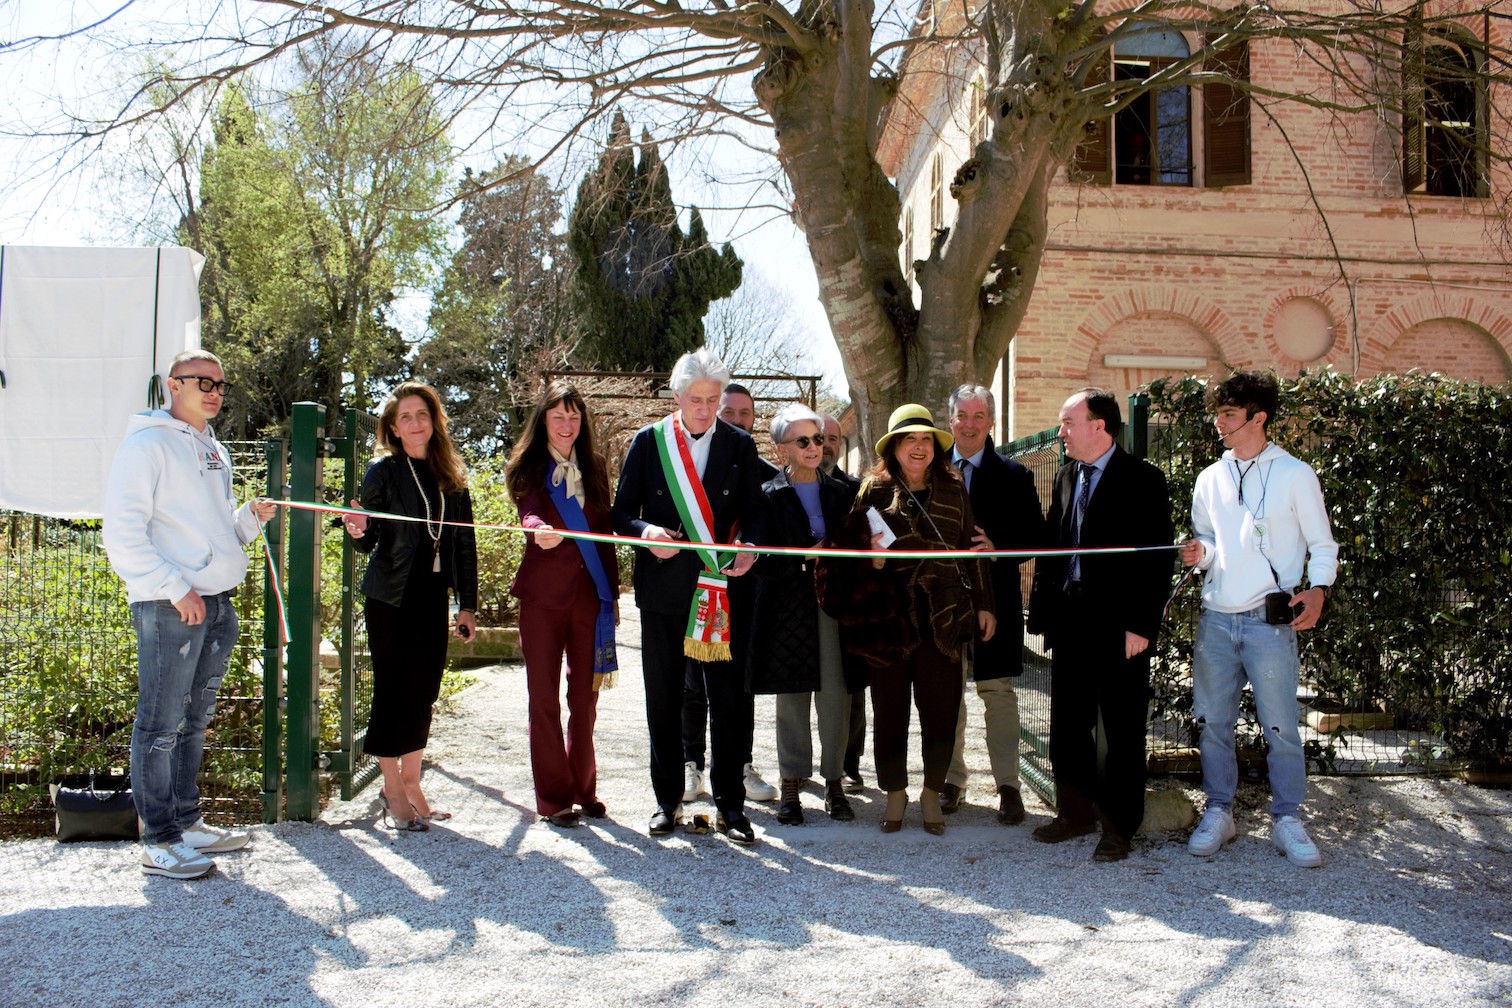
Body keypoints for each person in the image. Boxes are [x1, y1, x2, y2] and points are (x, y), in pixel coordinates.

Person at [103, 349, 275, 879]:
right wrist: (175, 589)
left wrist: (247, 520)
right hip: (171, 604)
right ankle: (159, 839)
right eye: (202, 381)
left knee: (193, 719)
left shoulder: (212, 449)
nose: (214, 391)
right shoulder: (147, 444)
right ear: (172, 385)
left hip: (213, 602)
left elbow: (211, 530)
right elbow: (123, 532)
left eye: (220, 384)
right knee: (159, 721)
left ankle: (186, 821)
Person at [1178, 371, 1338, 868]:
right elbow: (1209, 546)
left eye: (1228, 414)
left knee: (1281, 726)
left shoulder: (1295, 474)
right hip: (1216, 621)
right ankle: (1219, 811)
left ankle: (1288, 818)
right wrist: (1197, 553)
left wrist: (1319, 589)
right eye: (1218, 414)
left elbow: (1323, 545)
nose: (1219, 423)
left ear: (1258, 416)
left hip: (1270, 623)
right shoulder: (1209, 478)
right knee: (1214, 724)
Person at [611, 349, 766, 844]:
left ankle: (731, 809)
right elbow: (620, 515)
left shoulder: (739, 445)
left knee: (729, 702)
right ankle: (667, 801)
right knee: (663, 697)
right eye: (695, 399)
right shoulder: (649, 442)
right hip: (663, 592)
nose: (704, 409)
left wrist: (750, 547)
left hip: (720, 589)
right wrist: (647, 530)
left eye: (713, 400)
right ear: (676, 396)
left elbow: (758, 513)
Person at [819, 404, 995, 836]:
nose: (918, 447)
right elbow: (851, 557)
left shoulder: (956, 491)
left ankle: (932, 792)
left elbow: (973, 552)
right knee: (891, 711)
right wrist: (874, 564)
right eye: (909, 440)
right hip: (887, 621)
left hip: (944, 619)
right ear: (894, 448)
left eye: (925, 440)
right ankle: (894, 791)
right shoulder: (871, 491)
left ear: (935, 448)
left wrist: (986, 603)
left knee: (941, 711)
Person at [1027, 388, 1172, 862]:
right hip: (1070, 624)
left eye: (1068, 423)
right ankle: (1075, 813)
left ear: (1099, 426)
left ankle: (1118, 828)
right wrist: (1042, 613)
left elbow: (1156, 561)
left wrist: (1141, 626)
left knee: (1123, 731)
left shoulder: (1143, 480)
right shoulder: (1067, 476)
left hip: (1120, 628)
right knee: (1068, 725)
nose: (1062, 433)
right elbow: (1053, 545)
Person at [344, 382, 478, 833]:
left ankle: (413, 781)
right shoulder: (383, 472)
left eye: (422, 414)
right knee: (393, 689)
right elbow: (368, 541)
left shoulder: (452, 478)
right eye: (405, 417)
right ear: (394, 428)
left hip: (431, 597)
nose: (415, 423)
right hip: (390, 596)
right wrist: (359, 529)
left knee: (424, 691)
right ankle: (392, 787)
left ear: (434, 420)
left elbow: (463, 547)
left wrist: (468, 606)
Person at [506, 381, 620, 828]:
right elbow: (528, 511)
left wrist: (610, 594)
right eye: (559, 417)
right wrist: (537, 528)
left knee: (586, 698)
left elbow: (609, 530)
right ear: (543, 421)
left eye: (574, 417)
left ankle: (582, 788)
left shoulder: (594, 466)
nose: (567, 425)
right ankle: (554, 799)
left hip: (590, 598)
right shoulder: (528, 466)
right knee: (543, 699)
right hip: (541, 600)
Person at [747, 404, 861, 824]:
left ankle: (834, 782)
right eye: (803, 441)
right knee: (790, 697)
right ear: (782, 450)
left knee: (836, 696)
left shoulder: (843, 493)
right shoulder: (766, 495)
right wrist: (802, 563)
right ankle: (791, 784)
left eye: (818, 439)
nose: (815, 447)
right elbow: (760, 558)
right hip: (785, 608)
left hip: (833, 607)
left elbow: (859, 547)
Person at [940, 385, 1045, 825]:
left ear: (992, 423)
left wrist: (999, 548)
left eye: (979, 415)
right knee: (948, 694)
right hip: (942, 602)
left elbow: (1037, 538)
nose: (969, 424)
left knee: (998, 692)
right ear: (950, 421)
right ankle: (951, 780)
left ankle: (1008, 786)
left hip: (997, 602)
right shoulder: (931, 468)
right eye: (962, 415)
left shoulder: (1014, 475)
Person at [680, 382, 779, 805]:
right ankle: (692, 765)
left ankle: (740, 764)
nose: (738, 419)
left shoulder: (768, 477)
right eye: (729, 412)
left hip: (742, 592)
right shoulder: (690, 467)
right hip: (694, 588)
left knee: (739, 684)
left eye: (745, 413)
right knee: (691, 682)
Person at [820, 412, 868, 793]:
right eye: (817, 436)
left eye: (833, 438)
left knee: (852, 688)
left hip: (849, 601)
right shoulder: (781, 487)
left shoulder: (856, 491)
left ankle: (849, 764)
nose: (826, 444)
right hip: (801, 601)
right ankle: (802, 766)